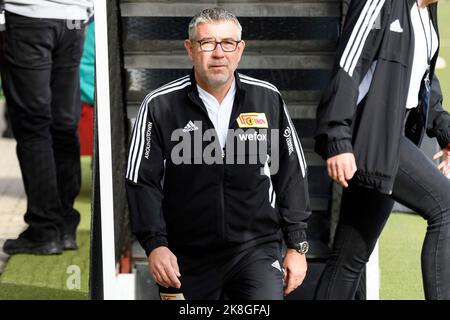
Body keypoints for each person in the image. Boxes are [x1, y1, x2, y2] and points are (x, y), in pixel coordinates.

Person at [126, 8, 311, 300]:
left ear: (240, 50)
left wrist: (296, 244)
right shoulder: (159, 104)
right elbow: (141, 181)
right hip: (184, 256)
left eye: (227, 43)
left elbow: (290, 172)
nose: (218, 53)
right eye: (207, 43)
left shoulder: (267, 97)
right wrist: (155, 245)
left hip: (255, 250)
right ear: (190, 49)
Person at [314, 0, 450, 299]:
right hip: (370, 134)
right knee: (445, 206)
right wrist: (337, 137)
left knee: (349, 257)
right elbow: (349, 66)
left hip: (395, 133)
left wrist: (445, 130)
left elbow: (424, 81)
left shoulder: (428, 11)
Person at [0, 0, 93, 255]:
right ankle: (63, 227)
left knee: (34, 126)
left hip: (28, 16)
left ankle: (44, 231)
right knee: (63, 124)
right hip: (73, 18)